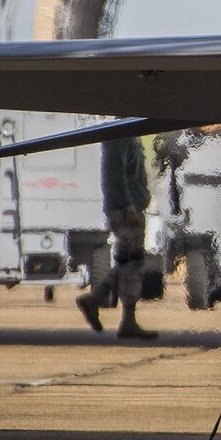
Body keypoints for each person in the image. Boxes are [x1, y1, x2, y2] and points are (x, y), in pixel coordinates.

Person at [77, 135, 155, 340]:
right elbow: (115, 174)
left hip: (131, 207)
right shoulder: (120, 136)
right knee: (131, 263)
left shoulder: (129, 134)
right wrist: (128, 206)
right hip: (126, 211)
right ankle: (126, 319)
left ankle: (96, 299)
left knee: (128, 260)